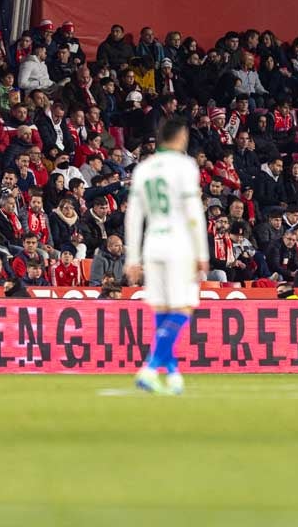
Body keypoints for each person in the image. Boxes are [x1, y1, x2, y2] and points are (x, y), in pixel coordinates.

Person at [128, 118, 207, 397]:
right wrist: (202, 252)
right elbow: (193, 210)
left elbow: (134, 215)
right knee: (183, 309)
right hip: (179, 244)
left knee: (162, 313)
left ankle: (173, 376)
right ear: (181, 137)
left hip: (152, 245)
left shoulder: (144, 168)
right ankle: (150, 368)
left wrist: (132, 257)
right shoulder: (185, 166)